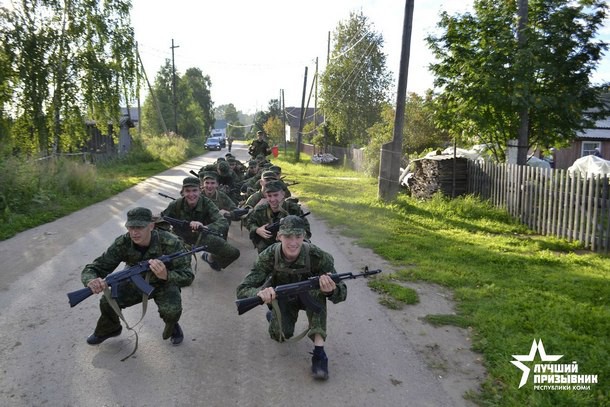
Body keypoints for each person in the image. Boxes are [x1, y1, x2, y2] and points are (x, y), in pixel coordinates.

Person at [236, 215, 347, 380]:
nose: (293, 242)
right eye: (288, 236)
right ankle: (274, 315)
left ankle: (319, 354)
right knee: (280, 335)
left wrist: (330, 291)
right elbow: (243, 289)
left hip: (309, 297)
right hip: (283, 300)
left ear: (304, 236)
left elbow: (342, 293)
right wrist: (260, 294)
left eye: (298, 236)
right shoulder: (268, 256)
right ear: (279, 236)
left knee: (317, 292)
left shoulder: (318, 256)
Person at [81, 207, 194, 346]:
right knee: (108, 301)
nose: (134, 232)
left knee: (172, 311)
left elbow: (188, 276)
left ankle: (172, 325)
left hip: (165, 282)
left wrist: (166, 275)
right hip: (136, 280)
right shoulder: (123, 243)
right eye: (131, 227)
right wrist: (91, 280)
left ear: (151, 226)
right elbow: (96, 267)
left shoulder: (170, 242)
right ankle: (110, 329)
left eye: (140, 227)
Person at [161, 177, 240, 271]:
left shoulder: (207, 203)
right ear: (183, 192)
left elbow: (222, 222)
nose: (191, 194)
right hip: (179, 238)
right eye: (187, 191)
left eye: (194, 190)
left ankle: (210, 258)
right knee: (172, 264)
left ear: (200, 190)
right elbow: (161, 221)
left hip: (201, 236)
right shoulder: (176, 204)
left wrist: (205, 227)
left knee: (233, 253)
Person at [246, 180, 310, 253]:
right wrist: (257, 230)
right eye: (269, 196)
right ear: (265, 196)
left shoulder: (293, 209)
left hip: (290, 246)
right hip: (267, 247)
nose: (272, 199)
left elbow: (306, 229)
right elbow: (250, 223)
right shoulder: (260, 210)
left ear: (283, 194)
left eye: (276, 195)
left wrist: (294, 237)